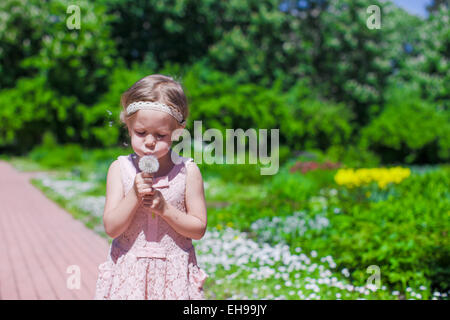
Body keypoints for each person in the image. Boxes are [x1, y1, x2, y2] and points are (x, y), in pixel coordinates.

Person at [94, 74, 208, 299]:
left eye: (160, 135)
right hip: (129, 274)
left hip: (173, 277)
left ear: (178, 132)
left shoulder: (188, 171)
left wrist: (165, 209)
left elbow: (198, 228)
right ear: (128, 126)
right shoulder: (120, 169)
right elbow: (111, 227)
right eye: (141, 132)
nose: (149, 142)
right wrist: (134, 195)